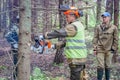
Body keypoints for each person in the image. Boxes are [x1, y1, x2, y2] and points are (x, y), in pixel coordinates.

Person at [39, 5, 88, 80]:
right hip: (79, 57)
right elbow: (66, 42)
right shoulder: (78, 25)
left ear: (73, 16)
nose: (66, 18)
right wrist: (53, 46)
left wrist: (45, 35)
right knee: (81, 77)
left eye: (67, 16)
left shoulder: (73, 26)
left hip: (76, 58)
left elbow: (60, 33)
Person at [93, 12, 118, 80]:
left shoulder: (114, 28)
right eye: (103, 17)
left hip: (109, 50)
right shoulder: (98, 27)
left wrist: (113, 48)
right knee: (100, 66)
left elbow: (116, 39)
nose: (104, 18)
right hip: (100, 49)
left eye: (105, 17)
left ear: (109, 18)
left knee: (108, 66)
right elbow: (95, 38)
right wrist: (95, 49)